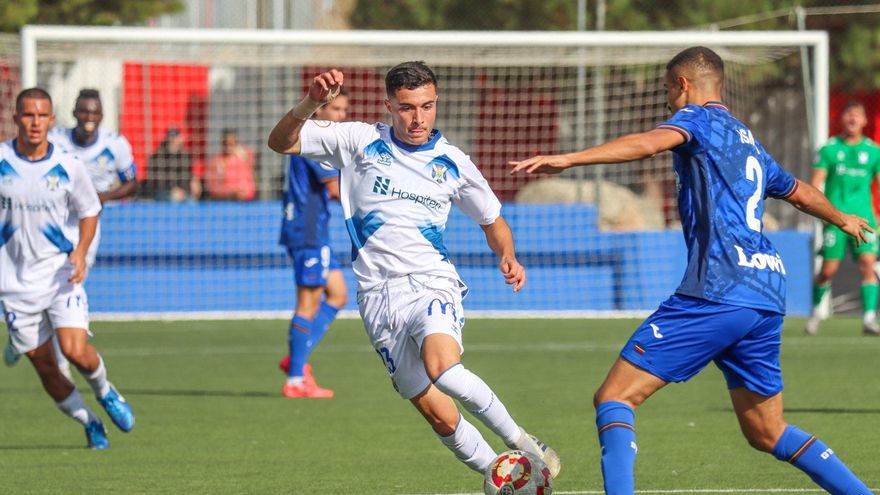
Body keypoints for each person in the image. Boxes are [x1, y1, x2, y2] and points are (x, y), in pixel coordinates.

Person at [511, 47, 873, 495]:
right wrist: (842, 219)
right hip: (765, 290)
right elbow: (797, 190)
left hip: (719, 289)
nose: (667, 100)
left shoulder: (697, 121)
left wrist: (569, 159)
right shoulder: (747, 140)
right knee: (768, 432)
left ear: (683, 85)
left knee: (614, 397)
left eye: (667, 89)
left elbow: (645, 144)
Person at [268, 62, 560, 477]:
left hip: (430, 283)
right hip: (376, 297)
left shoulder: (453, 162)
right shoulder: (358, 140)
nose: (418, 118)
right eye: (407, 108)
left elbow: (492, 219)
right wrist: (312, 103)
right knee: (437, 414)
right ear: (389, 105)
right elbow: (280, 142)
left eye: (427, 106)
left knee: (445, 369)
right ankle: (503, 477)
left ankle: (521, 441)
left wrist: (506, 254)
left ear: (436, 103)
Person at [0, 88, 135, 449]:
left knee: (74, 351)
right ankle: (88, 421)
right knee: (47, 369)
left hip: (60, 275)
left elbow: (90, 211)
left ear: (51, 120)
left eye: (42, 116)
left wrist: (81, 251)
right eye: (28, 115)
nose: (35, 122)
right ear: (16, 119)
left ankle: (105, 391)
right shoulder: (1, 162)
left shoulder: (68, 165)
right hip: (13, 285)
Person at [277, 88, 350, 398]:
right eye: (335, 109)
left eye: (344, 110)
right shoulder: (313, 140)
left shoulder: (315, 139)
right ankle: (295, 378)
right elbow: (335, 188)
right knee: (307, 303)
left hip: (314, 232)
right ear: (319, 109)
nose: (341, 116)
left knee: (338, 295)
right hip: (308, 233)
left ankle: (297, 356)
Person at [805, 100, 880, 336]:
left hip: (865, 219)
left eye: (858, 115)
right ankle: (816, 312)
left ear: (865, 121)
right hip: (836, 219)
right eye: (849, 114)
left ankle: (869, 319)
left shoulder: (874, 151)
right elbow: (816, 183)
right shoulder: (829, 149)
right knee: (828, 270)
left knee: (868, 264)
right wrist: (822, 214)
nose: (853, 119)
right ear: (842, 119)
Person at [192, 129, 256, 201]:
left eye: (232, 143)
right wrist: (230, 192)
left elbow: (251, 184)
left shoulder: (244, 158)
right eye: (226, 143)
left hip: (246, 202)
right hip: (225, 202)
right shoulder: (217, 161)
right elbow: (213, 188)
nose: (229, 147)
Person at [142, 126, 195, 202]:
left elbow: (188, 177)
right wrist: (172, 190)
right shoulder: (157, 157)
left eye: (175, 138)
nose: (172, 140)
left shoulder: (185, 157)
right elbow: (154, 182)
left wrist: (193, 182)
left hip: (182, 193)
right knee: (173, 200)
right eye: (170, 137)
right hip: (162, 192)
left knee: (192, 202)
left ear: (180, 139)